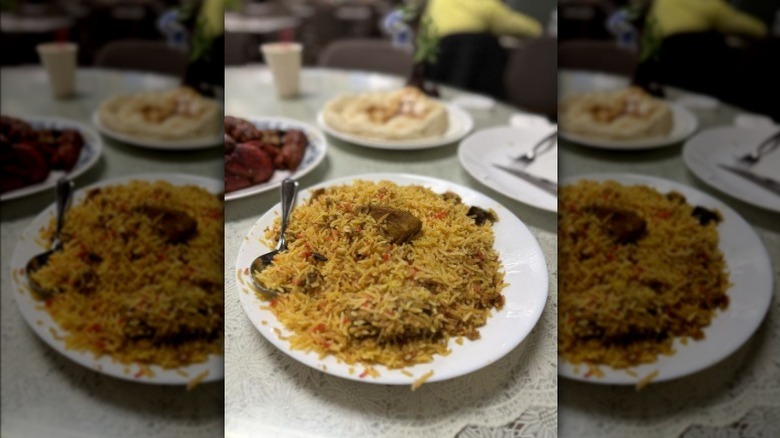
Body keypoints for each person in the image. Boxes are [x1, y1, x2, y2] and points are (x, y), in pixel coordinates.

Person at [643, 0, 774, 116]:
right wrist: (763, 30)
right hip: (700, 58)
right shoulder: (709, 3)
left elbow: (651, 31)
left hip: (665, 61)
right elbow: (738, 22)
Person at [421, 0, 542, 100]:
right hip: (472, 54)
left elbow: (426, 27)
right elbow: (514, 24)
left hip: (438, 55)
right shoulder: (485, 3)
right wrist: (537, 28)